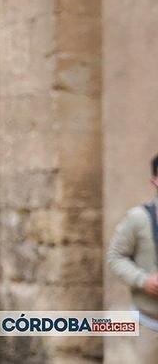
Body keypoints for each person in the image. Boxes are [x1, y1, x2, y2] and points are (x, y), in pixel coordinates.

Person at [107, 153, 158, 362]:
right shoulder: (137, 218)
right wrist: (143, 280)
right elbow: (115, 257)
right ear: (155, 180)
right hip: (150, 322)